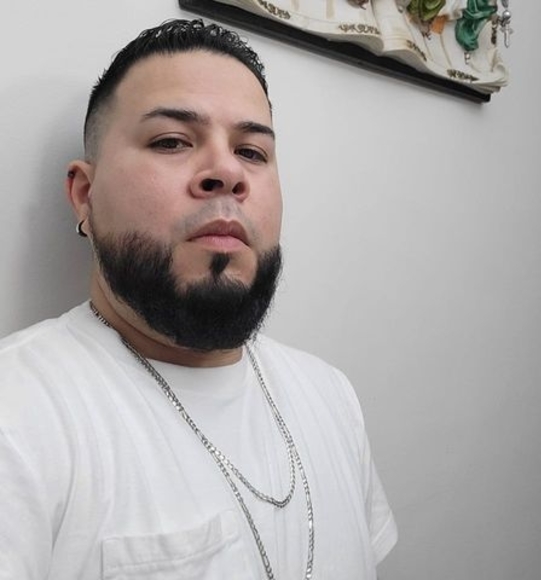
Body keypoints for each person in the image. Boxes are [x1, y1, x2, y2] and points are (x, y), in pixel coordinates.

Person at [0, 19, 397, 580]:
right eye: (171, 141)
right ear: (85, 196)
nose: (228, 172)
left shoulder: (331, 396)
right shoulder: (19, 418)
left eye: (252, 151)